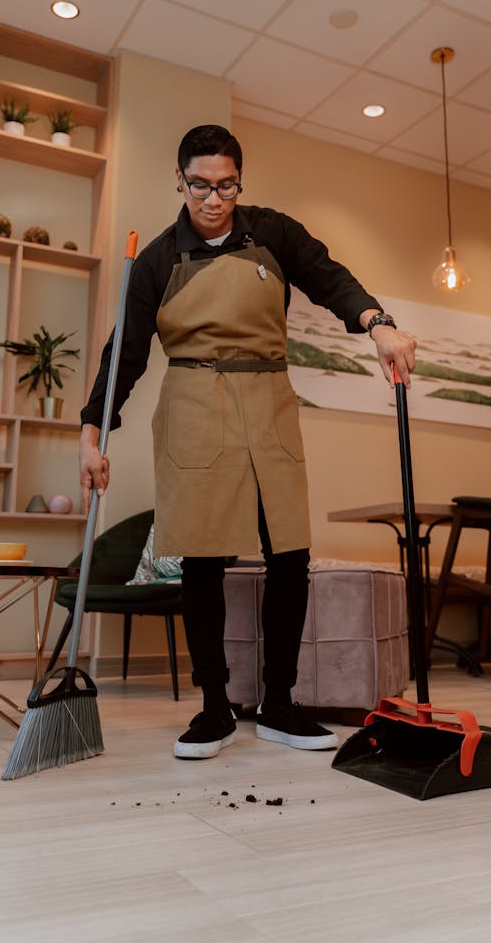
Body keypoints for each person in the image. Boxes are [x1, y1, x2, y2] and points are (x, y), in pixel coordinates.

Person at [80, 124, 416, 760]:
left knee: (290, 555)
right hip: (193, 406)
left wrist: (379, 324)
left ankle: (279, 703)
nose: (214, 198)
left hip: (269, 401)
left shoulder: (272, 232)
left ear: (240, 180)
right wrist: (91, 433)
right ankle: (212, 708)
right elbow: (122, 356)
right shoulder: (156, 259)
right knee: (203, 559)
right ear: (179, 181)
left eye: (227, 184)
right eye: (201, 185)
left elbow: (329, 277)